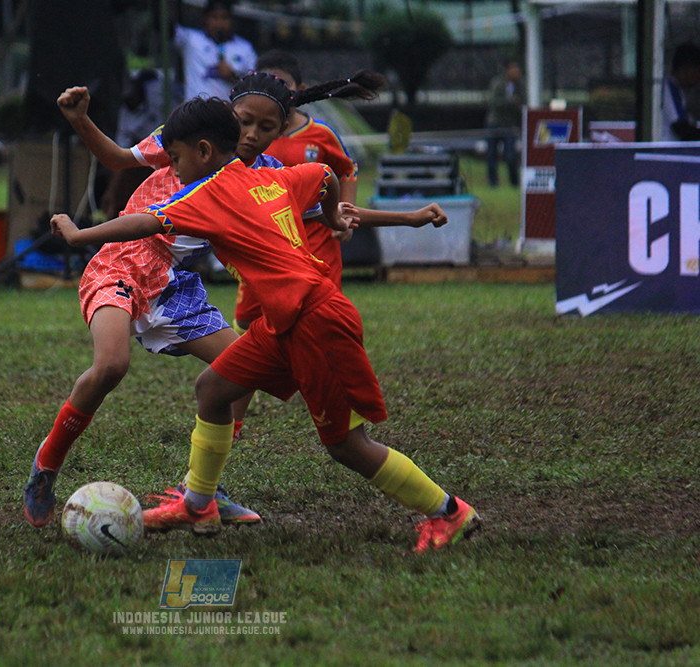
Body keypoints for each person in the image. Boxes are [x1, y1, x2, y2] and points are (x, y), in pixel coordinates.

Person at [50, 97, 481, 554]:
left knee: (346, 445)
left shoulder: (205, 195)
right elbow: (325, 177)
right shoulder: (272, 178)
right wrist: (334, 216)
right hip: (283, 321)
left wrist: (79, 235)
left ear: (203, 151)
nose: (173, 169)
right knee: (214, 389)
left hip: (315, 321)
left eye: (175, 158)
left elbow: (143, 224)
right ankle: (197, 504)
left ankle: (448, 511)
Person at [24, 71, 368, 529]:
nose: (251, 134)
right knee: (111, 366)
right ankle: (46, 464)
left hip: (176, 284)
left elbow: (329, 204)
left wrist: (409, 218)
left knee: (240, 372)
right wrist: (80, 120)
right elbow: (119, 163)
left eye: (266, 127)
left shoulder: (265, 174)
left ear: (280, 130)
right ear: (228, 116)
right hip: (121, 264)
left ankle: (203, 490)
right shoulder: (186, 132)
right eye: (244, 121)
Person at [233, 50, 373, 331]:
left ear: (301, 89)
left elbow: (347, 169)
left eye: (283, 84)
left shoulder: (321, 134)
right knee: (248, 318)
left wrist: (344, 213)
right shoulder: (245, 137)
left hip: (317, 235)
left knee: (320, 310)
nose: (273, 91)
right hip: (269, 239)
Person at [175, 0, 257, 101]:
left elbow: (255, 85)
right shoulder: (191, 39)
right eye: (214, 17)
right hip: (196, 108)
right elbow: (166, 27)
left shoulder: (244, 48)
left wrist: (233, 76)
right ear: (205, 18)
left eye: (224, 18)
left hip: (228, 108)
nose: (219, 23)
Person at [484, 59, 525, 187]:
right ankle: (493, 182)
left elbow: (522, 102)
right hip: (495, 123)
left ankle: (514, 182)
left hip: (510, 125)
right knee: (492, 154)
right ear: (507, 71)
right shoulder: (498, 83)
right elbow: (493, 102)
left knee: (511, 155)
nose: (517, 72)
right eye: (514, 69)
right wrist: (510, 101)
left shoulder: (520, 85)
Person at [662, 43, 700, 142]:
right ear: (688, 69)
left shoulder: (678, 90)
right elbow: (681, 128)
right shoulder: (670, 88)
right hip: (666, 147)